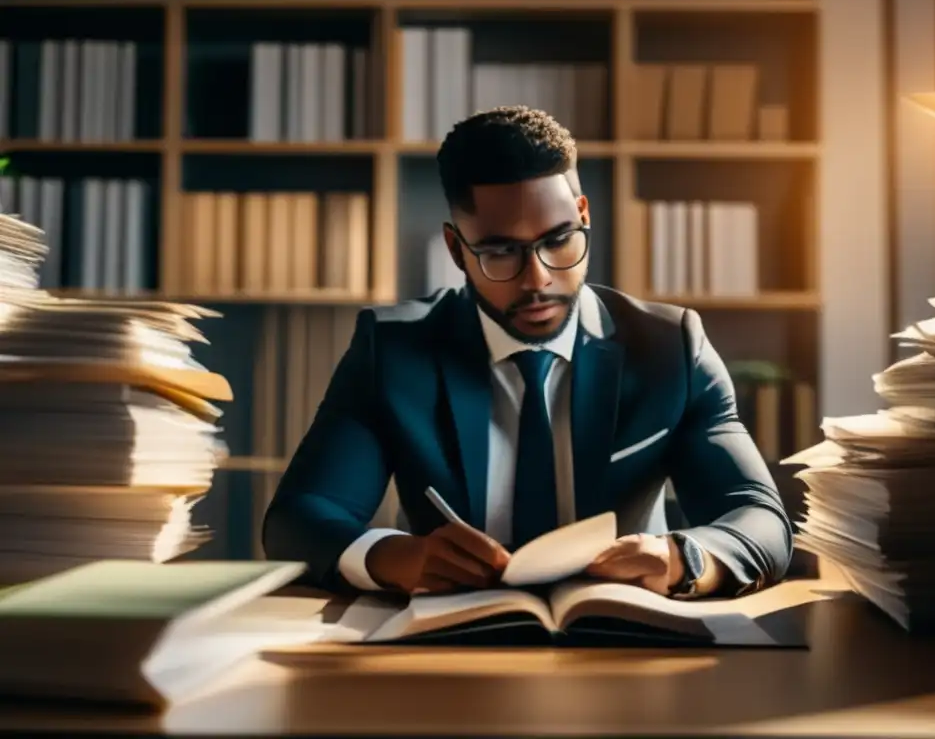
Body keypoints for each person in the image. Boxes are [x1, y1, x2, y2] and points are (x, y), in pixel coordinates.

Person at [263, 106, 792, 599]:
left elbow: (760, 519)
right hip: (443, 649)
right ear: (456, 249)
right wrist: (394, 557)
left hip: (625, 644)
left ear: (583, 214)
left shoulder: (670, 346)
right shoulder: (393, 351)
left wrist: (682, 560)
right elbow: (299, 518)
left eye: (559, 240)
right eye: (500, 252)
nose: (537, 279)